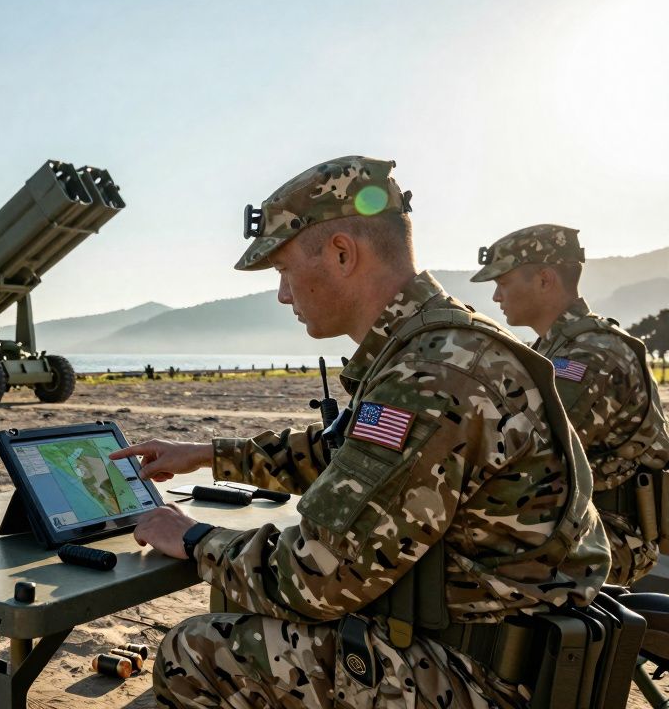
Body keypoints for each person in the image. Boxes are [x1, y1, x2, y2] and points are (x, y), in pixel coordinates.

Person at [111, 157, 610, 708]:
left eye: (283, 271)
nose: (282, 295)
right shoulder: (442, 344)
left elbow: (317, 579)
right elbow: (346, 453)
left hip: (483, 679)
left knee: (195, 650)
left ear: (343, 254)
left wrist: (190, 538)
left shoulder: (429, 373)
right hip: (513, 647)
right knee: (239, 595)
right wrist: (205, 452)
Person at [471, 224, 669, 585]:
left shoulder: (590, 354)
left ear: (545, 279)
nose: (497, 297)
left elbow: (533, 454)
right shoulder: (551, 349)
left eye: (503, 282)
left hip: (611, 536)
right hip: (572, 518)